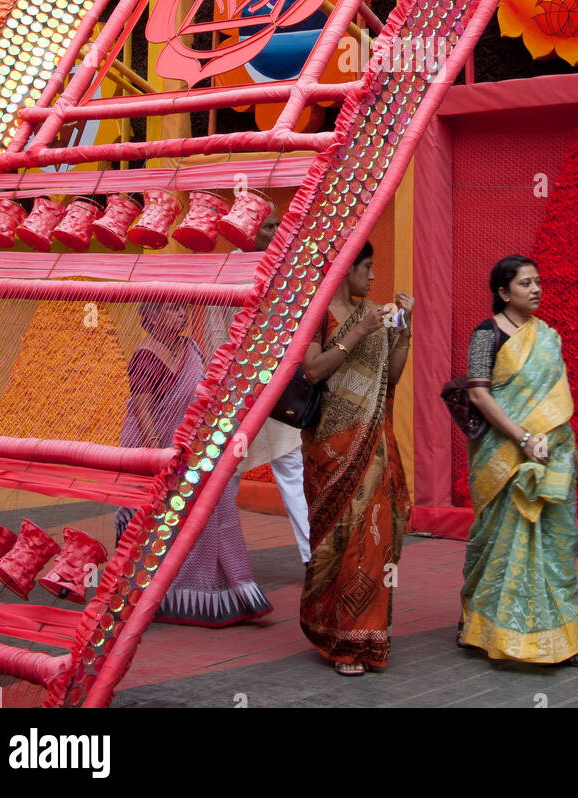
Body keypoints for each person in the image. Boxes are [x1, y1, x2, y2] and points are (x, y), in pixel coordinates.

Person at [459, 255, 578, 667]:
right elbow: (479, 394)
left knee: (556, 544)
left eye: (538, 282)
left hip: (553, 453)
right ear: (503, 293)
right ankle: (485, 630)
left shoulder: (547, 335)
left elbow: (556, 398)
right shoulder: (486, 335)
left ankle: (561, 641)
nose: (535, 289)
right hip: (505, 455)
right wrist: (522, 438)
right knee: (499, 541)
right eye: (525, 284)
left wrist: (553, 445)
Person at [116, 300, 272, 626]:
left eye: (183, 309)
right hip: (155, 449)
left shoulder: (191, 349)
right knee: (158, 522)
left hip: (193, 448)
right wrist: (159, 457)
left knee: (214, 511)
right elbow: (143, 410)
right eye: (172, 309)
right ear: (151, 316)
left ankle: (220, 592)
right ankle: (154, 595)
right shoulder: (146, 355)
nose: (182, 315)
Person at [299, 241, 412, 675]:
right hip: (332, 447)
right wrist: (359, 331)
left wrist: (404, 329)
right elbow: (312, 370)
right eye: (367, 266)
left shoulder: (379, 312)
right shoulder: (319, 312)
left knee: (374, 539)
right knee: (338, 538)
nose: (374, 276)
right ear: (345, 269)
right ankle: (335, 633)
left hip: (373, 444)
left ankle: (366, 637)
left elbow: (394, 375)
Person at [206, 204, 312, 565]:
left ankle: (313, 560)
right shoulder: (227, 271)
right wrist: (221, 386)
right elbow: (215, 335)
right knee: (227, 474)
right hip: (236, 391)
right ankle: (218, 557)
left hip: (277, 387)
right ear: (248, 230)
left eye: (278, 225)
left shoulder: (285, 268)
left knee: (290, 468)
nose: (276, 232)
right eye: (269, 226)